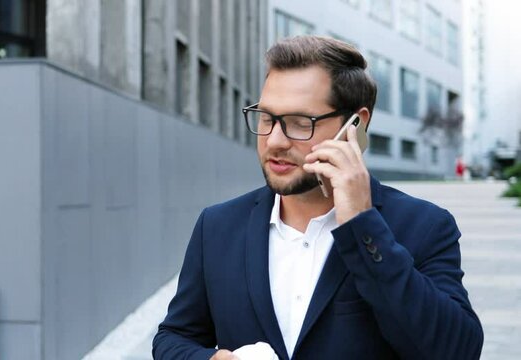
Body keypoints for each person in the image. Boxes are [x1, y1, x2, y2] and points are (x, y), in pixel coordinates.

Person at [152, 36, 483, 360]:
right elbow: (175, 337)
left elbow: (457, 350)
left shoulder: (423, 226)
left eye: (299, 123)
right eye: (267, 118)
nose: (275, 141)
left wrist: (363, 225)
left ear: (355, 125)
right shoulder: (218, 226)